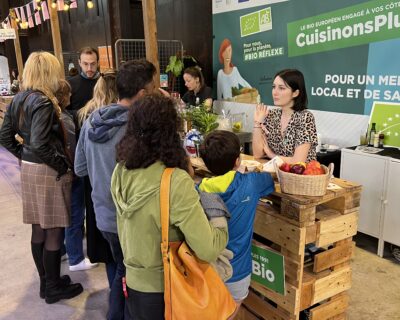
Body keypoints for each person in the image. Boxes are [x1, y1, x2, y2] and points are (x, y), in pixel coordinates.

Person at [111, 94, 228, 319]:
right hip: (168, 289)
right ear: (170, 130)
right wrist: (218, 217)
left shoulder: (121, 170)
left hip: (134, 284)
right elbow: (208, 249)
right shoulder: (174, 180)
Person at [74, 59, 157, 320]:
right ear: (142, 93)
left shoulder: (91, 122)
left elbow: (80, 168)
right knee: (130, 275)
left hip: (103, 216)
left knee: (119, 268)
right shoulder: (138, 128)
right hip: (131, 219)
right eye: (153, 88)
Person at [0, 52, 83, 304]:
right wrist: (62, 166)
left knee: (39, 229)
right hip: (47, 170)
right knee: (54, 230)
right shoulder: (44, 102)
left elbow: (5, 137)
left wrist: (24, 156)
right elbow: (39, 143)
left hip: (30, 168)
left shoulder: (20, 98)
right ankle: (53, 286)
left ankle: (46, 283)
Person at [198, 130, 274, 316]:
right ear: (237, 161)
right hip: (237, 272)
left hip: (207, 269)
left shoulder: (199, 189)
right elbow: (270, 178)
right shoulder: (251, 183)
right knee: (231, 310)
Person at [77, 70, 118, 289]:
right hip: (124, 203)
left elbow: (79, 167)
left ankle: (114, 300)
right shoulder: (130, 122)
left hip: (98, 199)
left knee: (110, 258)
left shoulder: (86, 119)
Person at [65, 46, 100, 272]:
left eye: (93, 64)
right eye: (85, 64)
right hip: (77, 155)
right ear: (79, 62)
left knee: (94, 205)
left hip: (97, 155)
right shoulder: (72, 86)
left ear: (98, 62)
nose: (89, 68)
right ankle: (75, 256)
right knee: (76, 209)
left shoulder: (102, 84)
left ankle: (89, 250)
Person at [252, 69, 318, 163]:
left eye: (281, 88)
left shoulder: (305, 117)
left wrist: (272, 155)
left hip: (300, 176)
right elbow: (258, 154)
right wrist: (257, 123)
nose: (275, 92)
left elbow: (298, 161)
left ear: (295, 93)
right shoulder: (271, 115)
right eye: (274, 87)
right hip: (276, 174)